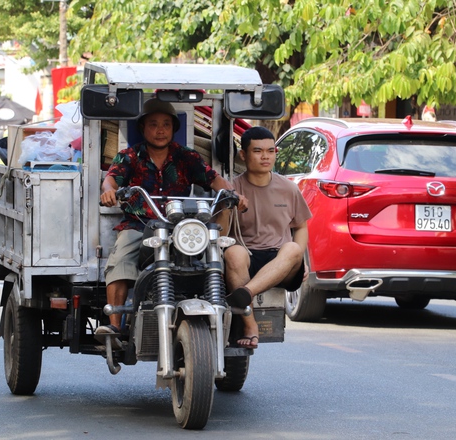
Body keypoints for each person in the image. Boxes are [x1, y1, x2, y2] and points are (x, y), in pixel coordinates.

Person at [97, 98, 247, 337]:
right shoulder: (130, 156)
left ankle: (224, 320)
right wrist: (108, 190)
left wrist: (233, 195)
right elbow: (112, 178)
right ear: (143, 128)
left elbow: (215, 180)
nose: (160, 130)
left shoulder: (187, 157)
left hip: (179, 226)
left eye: (166, 124)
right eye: (154, 124)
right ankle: (115, 325)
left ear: (174, 129)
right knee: (120, 259)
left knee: (212, 257)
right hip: (140, 224)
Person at [224, 126, 312, 348]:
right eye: (257, 151)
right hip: (247, 260)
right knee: (233, 252)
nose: (265, 156)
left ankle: (245, 294)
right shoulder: (232, 188)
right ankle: (250, 325)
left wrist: (302, 261)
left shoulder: (289, 188)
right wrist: (230, 205)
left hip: (279, 263)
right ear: (243, 155)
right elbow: (221, 233)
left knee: (293, 249)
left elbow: (300, 227)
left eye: (270, 151)